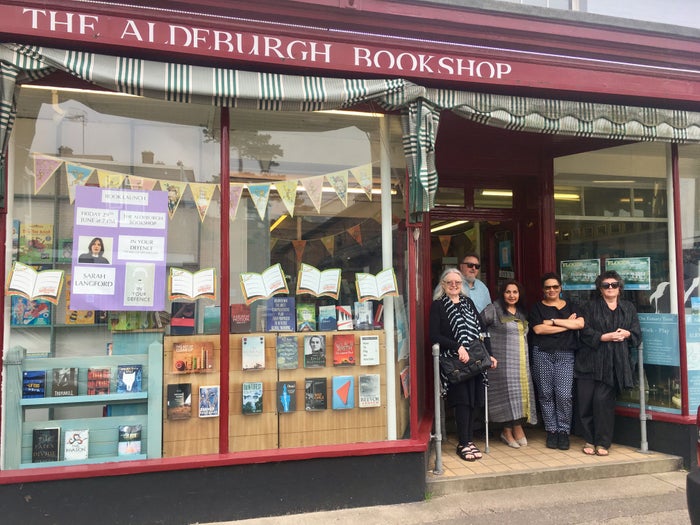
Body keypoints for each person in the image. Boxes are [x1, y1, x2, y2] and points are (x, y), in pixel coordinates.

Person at [430, 267, 497, 462]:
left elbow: (482, 331)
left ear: (462, 285)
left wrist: (490, 354)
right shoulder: (438, 305)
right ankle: (463, 442)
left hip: (475, 360)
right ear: (443, 284)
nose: (453, 285)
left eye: (457, 283)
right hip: (455, 361)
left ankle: (469, 441)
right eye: (449, 282)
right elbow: (434, 335)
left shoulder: (468, 302)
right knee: (461, 402)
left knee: (475, 400)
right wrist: (457, 346)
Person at [575, 270, 641, 457]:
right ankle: (589, 439)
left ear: (620, 288)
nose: (610, 288)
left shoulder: (628, 308)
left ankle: (603, 442)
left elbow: (636, 331)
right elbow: (583, 330)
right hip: (590, 360)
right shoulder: (589, 307)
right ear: (600, 288)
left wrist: (626, 333)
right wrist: (603, 337)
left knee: (603, 403)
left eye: (614, 285)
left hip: (614, 362)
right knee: (586, 402)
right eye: (606, 285)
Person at [529, 272, 584, 450]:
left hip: (565, 354)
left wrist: (552, 322)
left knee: (563, 395)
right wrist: (564, 324)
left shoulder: (572, 305)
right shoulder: (537, 308)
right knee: (545, 394)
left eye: (555, 286)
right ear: (543, 290)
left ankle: (564, 431)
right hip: (542, 353)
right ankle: (551, 430)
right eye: (547, 287)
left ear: (560, 288)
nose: (551, 290)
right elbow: (538, 330)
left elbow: (579, 324)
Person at [481, 279, 537, 448]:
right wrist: (487, 352)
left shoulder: (522, 312)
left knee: (520, 394)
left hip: (520, 362)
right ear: (502, 293)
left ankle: (518, 426)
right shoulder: (494, 309)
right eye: (508, 292)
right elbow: (479, 328)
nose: (512, 295)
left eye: (515, 292)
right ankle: (506, 430)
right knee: (505, 395)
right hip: (501, 362)